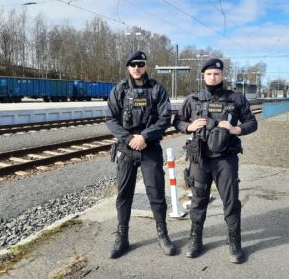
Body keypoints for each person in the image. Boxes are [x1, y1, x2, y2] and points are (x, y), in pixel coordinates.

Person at [173, 57, 258, 264]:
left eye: (216, 74)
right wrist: (188, 127)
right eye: (209, 74)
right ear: (203, 76)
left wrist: (235, 129)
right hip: (200, 159)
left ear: (223, 76)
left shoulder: (236, 99)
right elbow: (177, 121)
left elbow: (252, 122)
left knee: (230, 202)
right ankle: (195, 240)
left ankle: (234, 242)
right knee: (198, 200)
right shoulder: (193, 99)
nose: (213, 77)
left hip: (225, 160)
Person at [106, 50, 176, 259]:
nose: (137, 68)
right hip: (126, 149)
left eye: (140, 64)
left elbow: (165, 117)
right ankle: (122, 237)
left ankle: (163, 235)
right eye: (133, 64)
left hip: (150, 148)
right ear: (128, 67)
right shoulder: (119, 90)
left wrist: (144, 137)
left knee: (155, 193)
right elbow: (110, 118)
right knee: (124, 194)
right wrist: (129, 139)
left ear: (146, 66)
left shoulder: (157, 89)